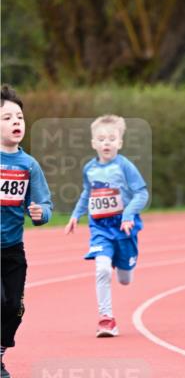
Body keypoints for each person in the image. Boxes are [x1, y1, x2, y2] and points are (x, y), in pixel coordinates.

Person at [65, 115, 148, 336]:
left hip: (124, 229)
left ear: (120, 142)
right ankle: (106, 319)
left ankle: (126, 264)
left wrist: (129, 213)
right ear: (94, 143)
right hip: (100, 228)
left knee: (124, 279)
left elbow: (142, 193)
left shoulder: (125, 166)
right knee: (102, 269)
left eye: (112, 138)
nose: (106, 143)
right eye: (101, 139)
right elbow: (87, 192)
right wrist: (76, 215)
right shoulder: (89, 169)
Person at [0, 84, 52, 378]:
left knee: (13, 306)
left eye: (19, 117)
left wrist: (40, 213)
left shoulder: (28, 165)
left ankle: (0, 353)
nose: (16, 122)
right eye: (7, 118)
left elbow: (44, 202)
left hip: (12, 249)